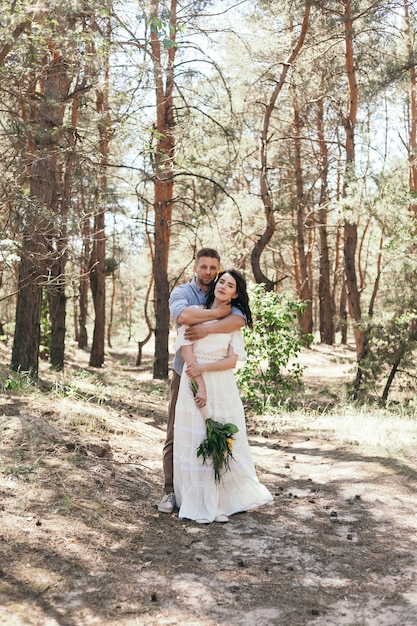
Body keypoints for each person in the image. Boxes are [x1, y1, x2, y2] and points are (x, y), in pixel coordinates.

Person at [172, 269, 273, 523]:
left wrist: (205, 368)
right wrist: (200, 383)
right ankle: (198, 501)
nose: (223, 286)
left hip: (222, 383)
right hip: (194, 381)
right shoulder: (195, 311)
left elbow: (231, 361)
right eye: (222, 282)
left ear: (235, 293)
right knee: (196, 438)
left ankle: (222, 500)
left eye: (230, 285)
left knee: (223, 437)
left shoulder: (233, 319)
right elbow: (187, 352)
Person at [158, 249, 246, 514]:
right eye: (204, 267)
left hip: (217, 377)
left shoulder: (223, 291)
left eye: (213, 268)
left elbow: (240, 319)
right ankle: (171, 492)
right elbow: (182, 317)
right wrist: (218, 315)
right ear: (195, 267)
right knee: (177, 433)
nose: (209, 272)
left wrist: (207, 325)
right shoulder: (184, 293)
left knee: (212, 431)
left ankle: (215, 493)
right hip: (184, 373)